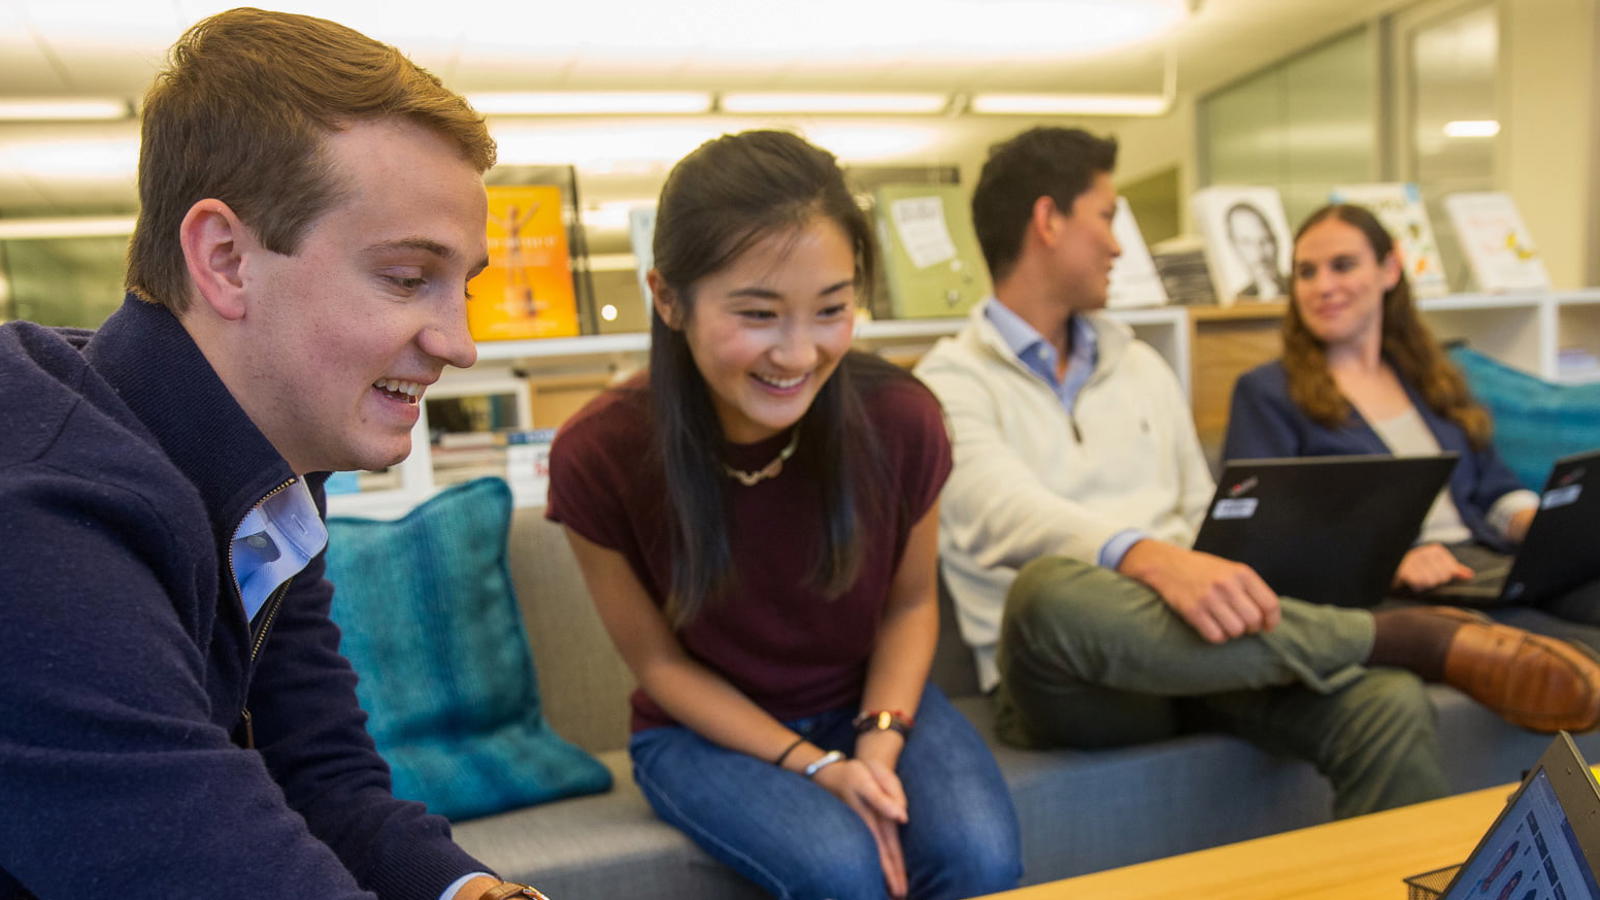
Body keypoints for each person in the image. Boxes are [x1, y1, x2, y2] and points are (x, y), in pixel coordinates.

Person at [0, 9, 546, 900]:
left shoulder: (262, 465)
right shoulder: (39, 514)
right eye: (409, 279)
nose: (460, 343)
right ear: (225, 261)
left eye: (463, 287)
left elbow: (322, 781)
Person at [913, 126, 1600, 820]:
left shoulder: (1141, 365)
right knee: (1048, 591)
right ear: (1048, 220)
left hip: (1205, 646)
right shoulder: (950, 380)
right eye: (1109, 217)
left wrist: (1210, 571)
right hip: (1073, 675)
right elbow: (995, 514)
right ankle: (1401, 637)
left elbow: (1197, 507)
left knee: (1385, 704)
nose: (1121, 245)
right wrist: (1152, 561)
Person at [546, 130, 1021, 900]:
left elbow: (911, 604)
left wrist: (876, 745)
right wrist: (817, 768)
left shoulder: (903, 417)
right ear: (667, 297)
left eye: (831, 308)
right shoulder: (599, 452)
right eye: (760, 314)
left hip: (867, 700)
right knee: (843, 872)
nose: (799, 354)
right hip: (699, 735)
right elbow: (661, 666)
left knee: (978, 860)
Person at [1223, 202, 1600, 650]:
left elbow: (1493, 487)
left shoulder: (1430, 377)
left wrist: (1529, 521)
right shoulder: (1268, 393)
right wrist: (1393, 560)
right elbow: (1263, 537)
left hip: (1488, 563)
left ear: (1390, 269)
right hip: (1396, 593)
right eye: (1306, 272)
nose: (1323, 286)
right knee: (1575, 652)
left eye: (1342, 266)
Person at [1226, 201, 1290, 300]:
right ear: (1234, 246)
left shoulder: (1301, 289)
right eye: (1247, 243)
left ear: (1276, 242)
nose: (1259, 255)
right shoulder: (1239, 298)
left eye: (1265, 240)